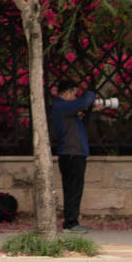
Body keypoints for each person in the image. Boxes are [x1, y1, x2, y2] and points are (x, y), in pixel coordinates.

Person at [47, 79, 100, 232]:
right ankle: (71, 223)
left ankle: (71, 221)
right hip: (71, 154)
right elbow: (86, 99)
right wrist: (91, 92)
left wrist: (90, 111)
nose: (76, 98)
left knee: (74, 188)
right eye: (75, 94)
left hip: (74, 153)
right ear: (68, 92)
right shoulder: (61, 105)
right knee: (73, 189)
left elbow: (81, 119)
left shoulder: (66, 109)